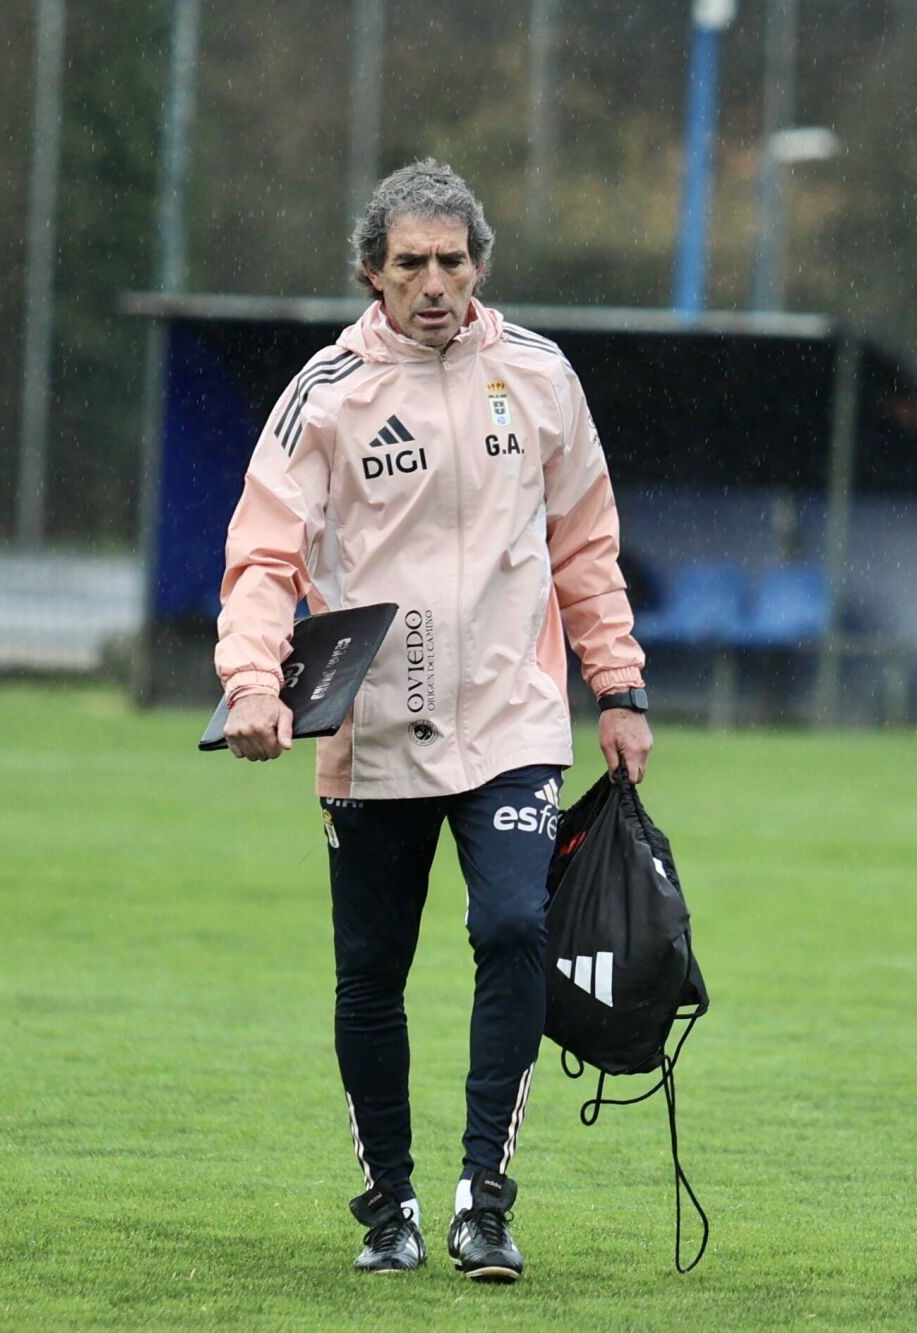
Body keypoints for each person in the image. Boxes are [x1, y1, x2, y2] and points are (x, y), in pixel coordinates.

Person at [214, 160, 652, 1283]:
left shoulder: (539, 377)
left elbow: (585, 545)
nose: (433, 283)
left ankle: (483, 1200)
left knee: (512, 926)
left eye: (452, 261)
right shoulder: (328, 393)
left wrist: (617, 686)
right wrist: (253, 682)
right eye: (409, 262)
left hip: (512, 722)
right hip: (372, 729)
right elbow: (263, 558)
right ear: (372, 271)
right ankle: (390, 1205)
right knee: (372, 972)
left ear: (479, 267)